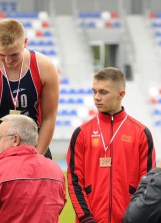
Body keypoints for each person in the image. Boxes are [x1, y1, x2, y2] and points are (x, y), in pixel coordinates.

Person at [0, 19, 59, 181]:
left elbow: (49, 118)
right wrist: (3, 160)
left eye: (14, 55)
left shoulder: (45, 67)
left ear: (25, 42)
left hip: (32, 142)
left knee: (38, 200)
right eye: (2, 55)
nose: (8, 61)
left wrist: (35, 158)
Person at [66, 67, 156, 223]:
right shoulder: (82, 133)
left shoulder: (141, 133)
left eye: (103, 92)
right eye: (94, 91)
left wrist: (134, 217)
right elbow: (74, 181)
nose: (96, 97)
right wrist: (86, 219)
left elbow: (147, 182)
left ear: (121, 95)